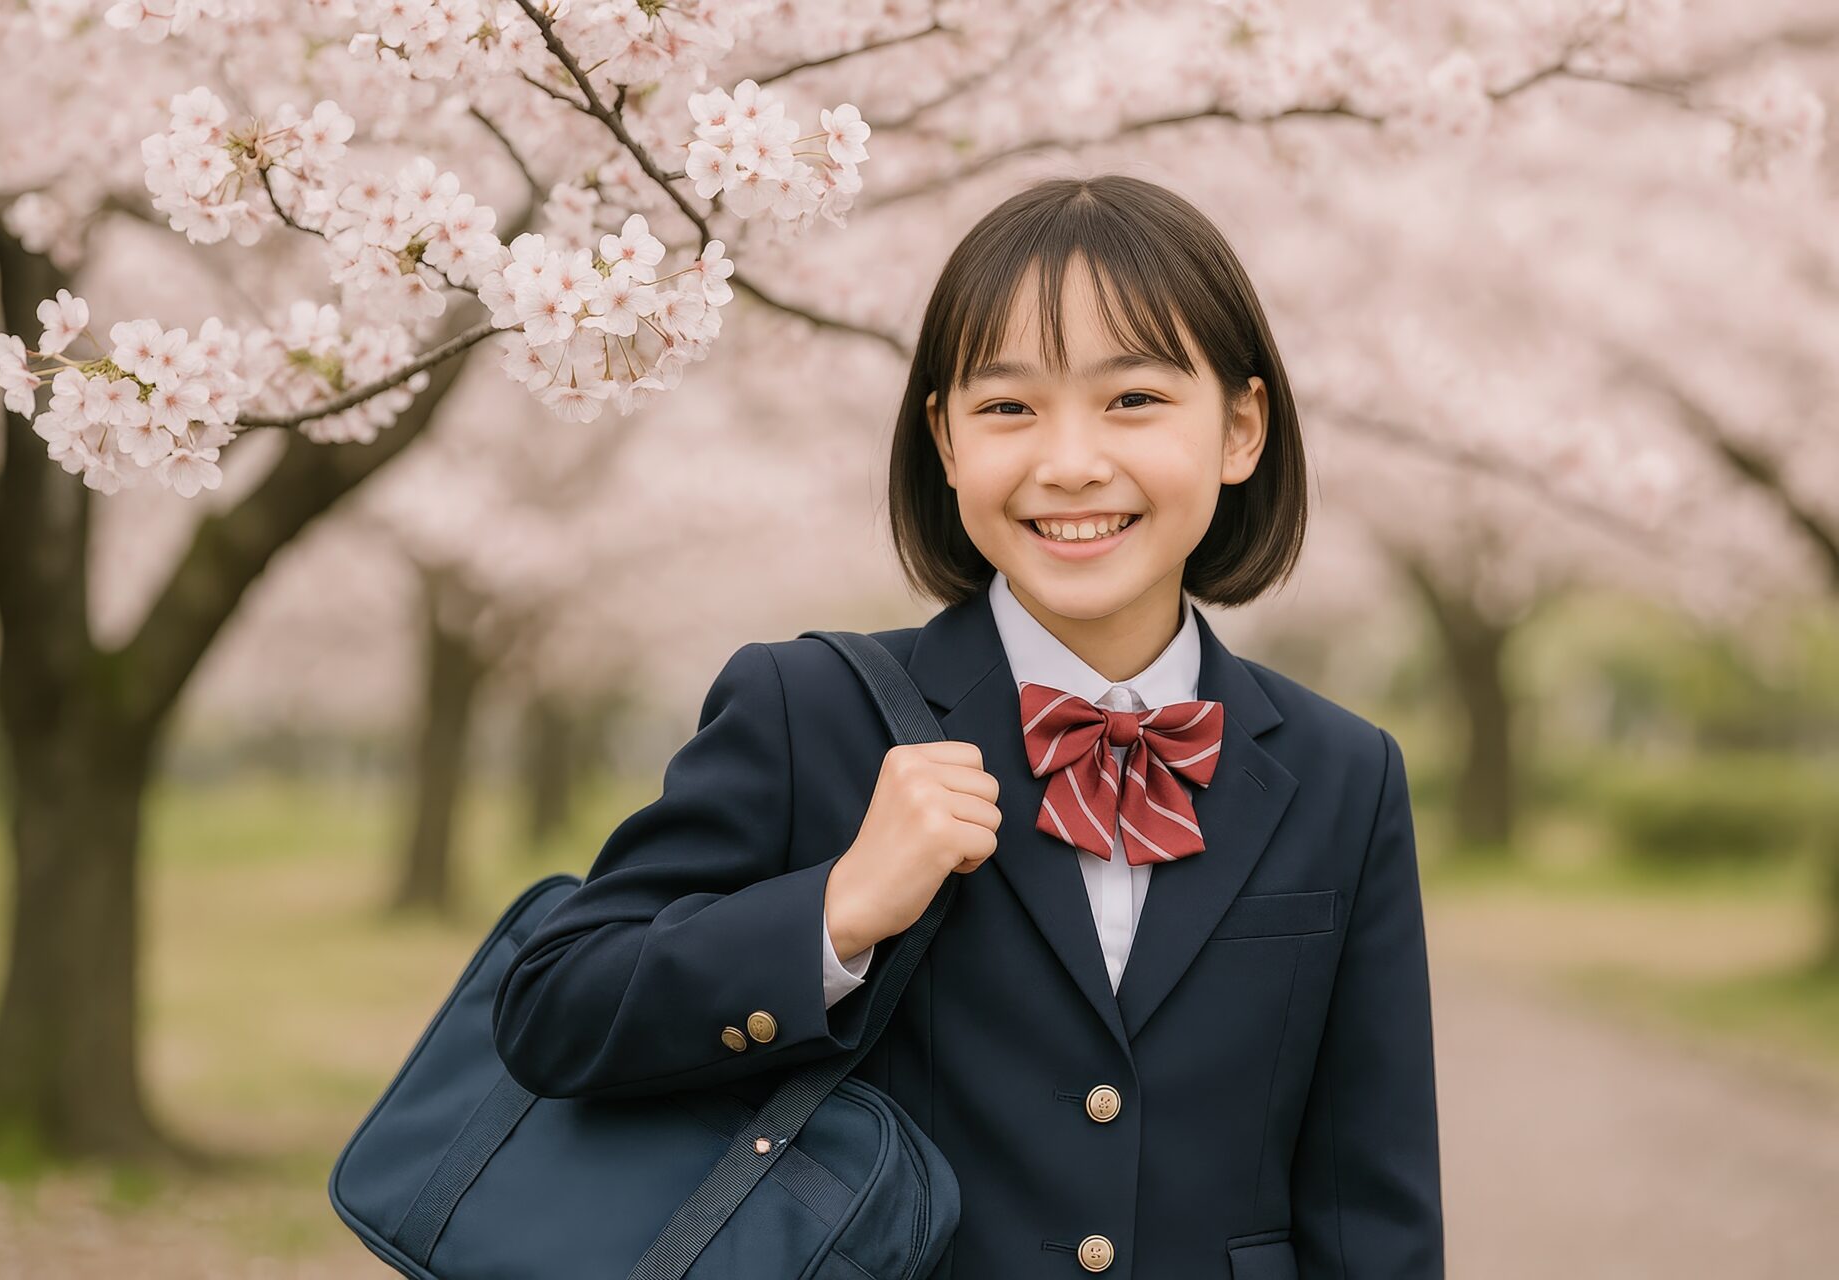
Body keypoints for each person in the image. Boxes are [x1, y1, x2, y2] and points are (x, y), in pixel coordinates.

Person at [492, 173, 1444, 1278]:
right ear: (945, 442)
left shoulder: (1344, 771)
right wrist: (837, 913)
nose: (1071, 460)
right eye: (1009, 407)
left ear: (1241, 427)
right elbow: (551, 1008)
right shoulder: (809, 712)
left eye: (1133, 399)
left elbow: (1372, 1201)